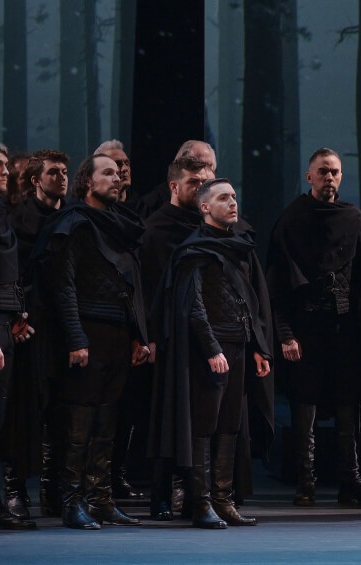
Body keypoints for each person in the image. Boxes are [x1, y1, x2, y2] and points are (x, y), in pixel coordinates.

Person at [35, 153, 152, 529]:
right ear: (88, 182)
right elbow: (63, 286)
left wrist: (138, 336)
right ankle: (71, 500)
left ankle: (100, 499)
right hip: (86, 332)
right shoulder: (74, 223)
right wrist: (75, 337)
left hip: (117, 335)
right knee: (79, 423)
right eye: (108, 173)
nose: (116, 179)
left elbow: (131, 287)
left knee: (106, 423)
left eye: (118, 174)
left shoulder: (120, 226)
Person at [267, 148, 361, 507]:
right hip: (306, 327)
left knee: (349, 401)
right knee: (305, 404)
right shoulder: (292, 220)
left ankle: (350, 481)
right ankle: (307, 483)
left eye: (334, 172)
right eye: (322, 172)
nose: (329, 178)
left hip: (346, 328)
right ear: (309, 177)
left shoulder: (354, 219)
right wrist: (286, 333)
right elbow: (276, 284)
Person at [154, 179, 274, 529]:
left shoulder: (239, 248)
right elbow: (193, 306)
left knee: (230, 426)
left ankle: (223, 500)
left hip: (238, 347)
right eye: (224, 198)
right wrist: (211, 348)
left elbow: (247, 302)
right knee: (204, 427)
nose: (232, 203)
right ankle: (201, 503)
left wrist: (256, 348)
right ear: (205, 207)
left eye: (234, 197)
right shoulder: (194, 250)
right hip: (209, 351)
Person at [140, 155, 216, 520]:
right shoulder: (156, 229)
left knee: (199, 419)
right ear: (174, 186)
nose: (200, 189)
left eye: (205, 183)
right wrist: (151, 337)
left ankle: (197, 492)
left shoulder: (209, 229)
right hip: (170, 337)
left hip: (207, 336)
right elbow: (149, 289)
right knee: (167, 417)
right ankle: (162, 493)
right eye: (192, 183)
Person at [3, 149, 69, 520]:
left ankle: (52, 490)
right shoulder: (18, 219)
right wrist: (19, 314)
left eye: (64, 172)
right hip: (27, 325)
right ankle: (16, 491)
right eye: (53, 172)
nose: (61, 178)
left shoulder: (72, 217)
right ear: (34, 180)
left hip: (63, 324)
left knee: (60, 411)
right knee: (22, 409)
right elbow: (15, 272)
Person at [0, 143, 37, 530]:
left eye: (6, 165)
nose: (5, 171)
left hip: (4, 323)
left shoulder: (1, 212)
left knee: (5, 416)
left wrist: (16, 314)